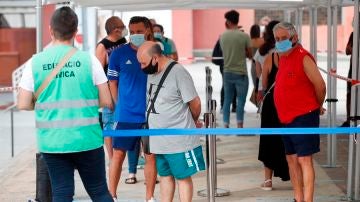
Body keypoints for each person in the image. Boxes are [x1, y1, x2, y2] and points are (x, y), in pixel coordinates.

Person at [17, 6, 114, 202]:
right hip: (87, 139)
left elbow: (23, 104)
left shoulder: (35, 63)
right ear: (76, 31)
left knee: (61, 192)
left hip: (53, 142)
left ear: (51, 30)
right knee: (99, 192)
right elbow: (106, 101)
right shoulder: (89, 61)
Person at [137, 41, 205, 202]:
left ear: (155, 58)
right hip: (158, 139)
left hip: (178, 139)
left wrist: (191, 122)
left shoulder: (178, 72)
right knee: (165, 176)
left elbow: (195, 103)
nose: (141, 67)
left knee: (182, 177)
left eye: (143, 63)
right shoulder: (151, 71)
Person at [273, 22, 326, 202]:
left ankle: (308, 200)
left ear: (294, 38)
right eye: (277, 39)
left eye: (283, 38)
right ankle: (298, 198)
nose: (280, 42)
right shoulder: (283, 57)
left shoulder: (303, 57)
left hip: (303, 117)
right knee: (291, 160)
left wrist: (318, 105)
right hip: (285, 118)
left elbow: (320, 85)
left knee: (304, 160)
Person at [107, 16, 157, 202]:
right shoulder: (118, 54)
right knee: (118, 154)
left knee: (151, 156)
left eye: (139, 31)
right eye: (132, 31)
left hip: (151, 114)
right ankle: (111, 195)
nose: (135, 35)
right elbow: (112, 81)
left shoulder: (156, 51)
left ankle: (149, 197)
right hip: (126, 115)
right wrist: (119, 104)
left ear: (147, 31)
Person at [257, 20, 289, 191]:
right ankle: (294, 175)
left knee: (269, 139)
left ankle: (268, 180)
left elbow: (264, 82)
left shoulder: (271, 57)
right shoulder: (298, 57)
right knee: (288, 139)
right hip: (289, 103)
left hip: (272, 104)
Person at [95, 16, 127, 161]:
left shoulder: (123, 42)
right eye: (122, 27)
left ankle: (124, 152)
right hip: (109, 89)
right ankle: (112, 157)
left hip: (125, 88)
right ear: (115, 29)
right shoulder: (102, 46)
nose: (124, 29)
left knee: (123, 121)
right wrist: (104, 96)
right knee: (109, 122)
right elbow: (98, 73)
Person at [220, 10, 252, 128]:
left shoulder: (223, 36)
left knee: (227, 99)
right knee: (241, 101)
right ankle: (239, 126)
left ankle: (226, 125)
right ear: (237, 20)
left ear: (228, 22)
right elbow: (250, 54)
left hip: (227, 71)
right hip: (241, 73)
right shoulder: (244, 36)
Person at [342, 13, 359, 127]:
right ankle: (349, 120)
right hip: (352, 70)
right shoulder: (353, 34)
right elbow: (347, 51)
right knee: (349, 94)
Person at [211, 39, 237, 112]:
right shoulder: (225, 38)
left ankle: (226, 106)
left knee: (227, 85)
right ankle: (230, 106)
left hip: (225, 65)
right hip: (230, 65)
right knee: (230, 84)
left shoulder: (223, 38)